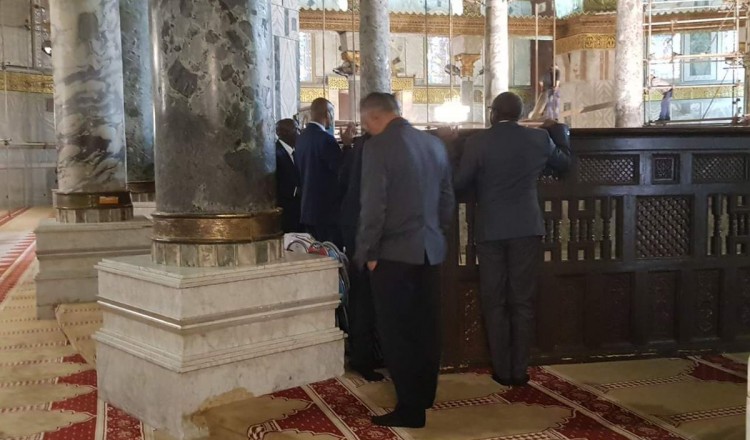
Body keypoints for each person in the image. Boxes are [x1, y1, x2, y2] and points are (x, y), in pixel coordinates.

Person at [454, 92, 570, 387]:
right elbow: (565, 163)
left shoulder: (477, 142)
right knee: (522, 301)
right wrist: (559, 130)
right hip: (526, 227)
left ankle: (502, 370)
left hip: (491, 229)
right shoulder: (539, 139)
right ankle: (520, 371)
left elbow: (459, 183)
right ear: (520, 114)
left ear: (493, 114)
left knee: (494, 301)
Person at [356, 92, 454, 428]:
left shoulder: (378, 147)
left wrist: (368, 252)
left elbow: (374, 206)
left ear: (373, 117)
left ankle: (410, 408)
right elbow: (446, 199)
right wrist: (435, 234)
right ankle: (424, 395)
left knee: (397, 331)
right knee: (426, 328)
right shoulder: (433, 144)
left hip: (392, 254)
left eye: (365, 124)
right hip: (430, 250)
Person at [339, 127, 383, 382]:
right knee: (367, 298)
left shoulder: (360, 146)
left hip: (355, 228)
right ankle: (365, 357)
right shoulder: (374, 149)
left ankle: (365, 353)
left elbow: (343, 181)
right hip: (365, 232)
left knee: (362, 296)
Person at [295, 98, 352, 247]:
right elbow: (342, 171)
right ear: (328, 114)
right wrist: (347, 146)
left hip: (307, 211)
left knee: (315, 254)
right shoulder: (326, 139)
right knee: (331, 254)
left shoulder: (301, 138)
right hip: (327, 213)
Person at [275, 119, 302, 233]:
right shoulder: (275, 153)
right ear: (284, 133)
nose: (299, 132)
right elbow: (275, 182)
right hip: (287, 212)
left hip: (299, 212)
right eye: (296, 129)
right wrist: (295, 190)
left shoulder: (298, 151)